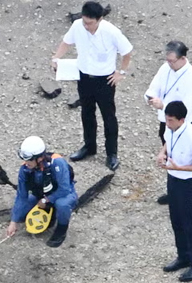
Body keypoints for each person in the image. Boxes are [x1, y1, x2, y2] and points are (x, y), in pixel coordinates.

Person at [51, 1, 133, 171]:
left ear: (100, 19)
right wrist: (56, 58)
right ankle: (89, 146)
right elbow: (66, 42)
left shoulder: (111, 32)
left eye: (90, 23)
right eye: (84, 21)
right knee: (87, 112)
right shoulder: (77, 26)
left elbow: (127, 51)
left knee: (108, 117)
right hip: (84, 77)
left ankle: (112, 153)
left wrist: (121, 73)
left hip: (104, 80)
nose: (86, 26)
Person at [144, 40, 192, 205]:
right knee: (169, 157)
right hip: (166, 122)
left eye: (172, 61)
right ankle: (173, 192)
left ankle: (188, 195)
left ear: (183, 58)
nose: (168, 64)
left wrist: (162, 106)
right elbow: (153, 87)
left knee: (185, 161)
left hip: (183, 124)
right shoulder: (165, 68)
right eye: (167, 60)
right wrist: (151, 98)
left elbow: (187, 108)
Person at [157, 101, 192, 282]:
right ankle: (183, 255)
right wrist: (162, 153)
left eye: (170, 120)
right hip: (173, 178)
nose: (167, 123)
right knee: (176, 218)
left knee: (190, 222)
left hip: (189, 183)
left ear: (182, 120)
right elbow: (166, 140)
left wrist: (181, 168)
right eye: (166, 119)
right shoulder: (169, 128)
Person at [6, 136, 79, 248]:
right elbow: (21, 196)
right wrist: (13, 222)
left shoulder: (58, 163)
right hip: (40, 196)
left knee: (62, 204)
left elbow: (64, 189)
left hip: (63, 195)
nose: (26, 162)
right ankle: (50, 212)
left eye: (29, 159)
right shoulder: (24, 170)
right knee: (20, 213)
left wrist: (47, 200)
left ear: (39, 158)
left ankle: (61, 229)